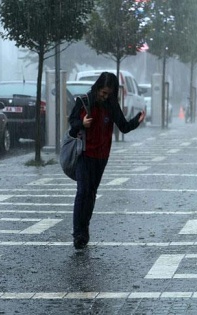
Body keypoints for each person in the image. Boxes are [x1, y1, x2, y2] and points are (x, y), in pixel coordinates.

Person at [68, 72, 145, 249]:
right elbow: (72, 122)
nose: (104, 96)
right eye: (102, 92)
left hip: (101, 157)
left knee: (91, 193)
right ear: (97, 88)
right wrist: (82, 123)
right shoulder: (84, 101)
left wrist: (136, 121)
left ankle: (84, 229)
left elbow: (123, 127)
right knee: (83, 191)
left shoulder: (111, 105)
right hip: (84, 153)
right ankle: (78, 233)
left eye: (108, 94)